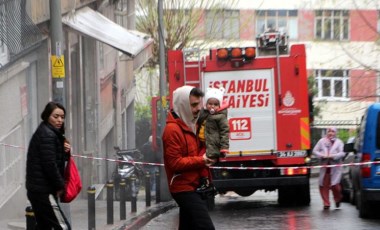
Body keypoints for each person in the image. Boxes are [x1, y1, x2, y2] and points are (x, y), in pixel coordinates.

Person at [162, 85, 216, 230]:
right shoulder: (172, 130)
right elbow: (175, 163)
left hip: (193, 184)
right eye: (193, 105)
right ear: (183, 105)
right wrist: (202, 160)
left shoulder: (191, 124)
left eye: (199, 103)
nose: (198, 108)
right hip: (182, 188)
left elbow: (198, 150)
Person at [26, 101, 71, 229]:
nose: (60, 120)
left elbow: (54, 159)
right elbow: (50, 164)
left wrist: (65, 151)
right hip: (44, 191)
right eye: (55, 116)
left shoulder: (50, 133)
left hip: (39, 190)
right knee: (62, 227)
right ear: (47, 116)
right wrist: (60, 186)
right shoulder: (48, 135)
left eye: (62, 117)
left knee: (44, 227)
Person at [196, 87, 229, 192]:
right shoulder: (203, 113)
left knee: (201, 162)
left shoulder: (220, 117)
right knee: (204, 164)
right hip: (201, 143)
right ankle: (208, 183)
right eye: (210, 103)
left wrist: (224, 148)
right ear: (206, 104)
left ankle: (205, 182)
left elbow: (224, 132)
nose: (212, 106)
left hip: (211, 146)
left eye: (215, 104)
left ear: (219, 106)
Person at [312, 127, 345, 210]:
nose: (330, 133)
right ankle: (326, 203)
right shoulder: (322, 141)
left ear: (335, 133)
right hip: (325, 167)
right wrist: (322, 155)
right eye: (329, 131)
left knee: (335, 185)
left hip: (335, 167)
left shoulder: (339, 142)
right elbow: (315, 151)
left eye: (332, 131)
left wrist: (333, 156)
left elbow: (342, 153)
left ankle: (337, 199)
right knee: (324, 185)